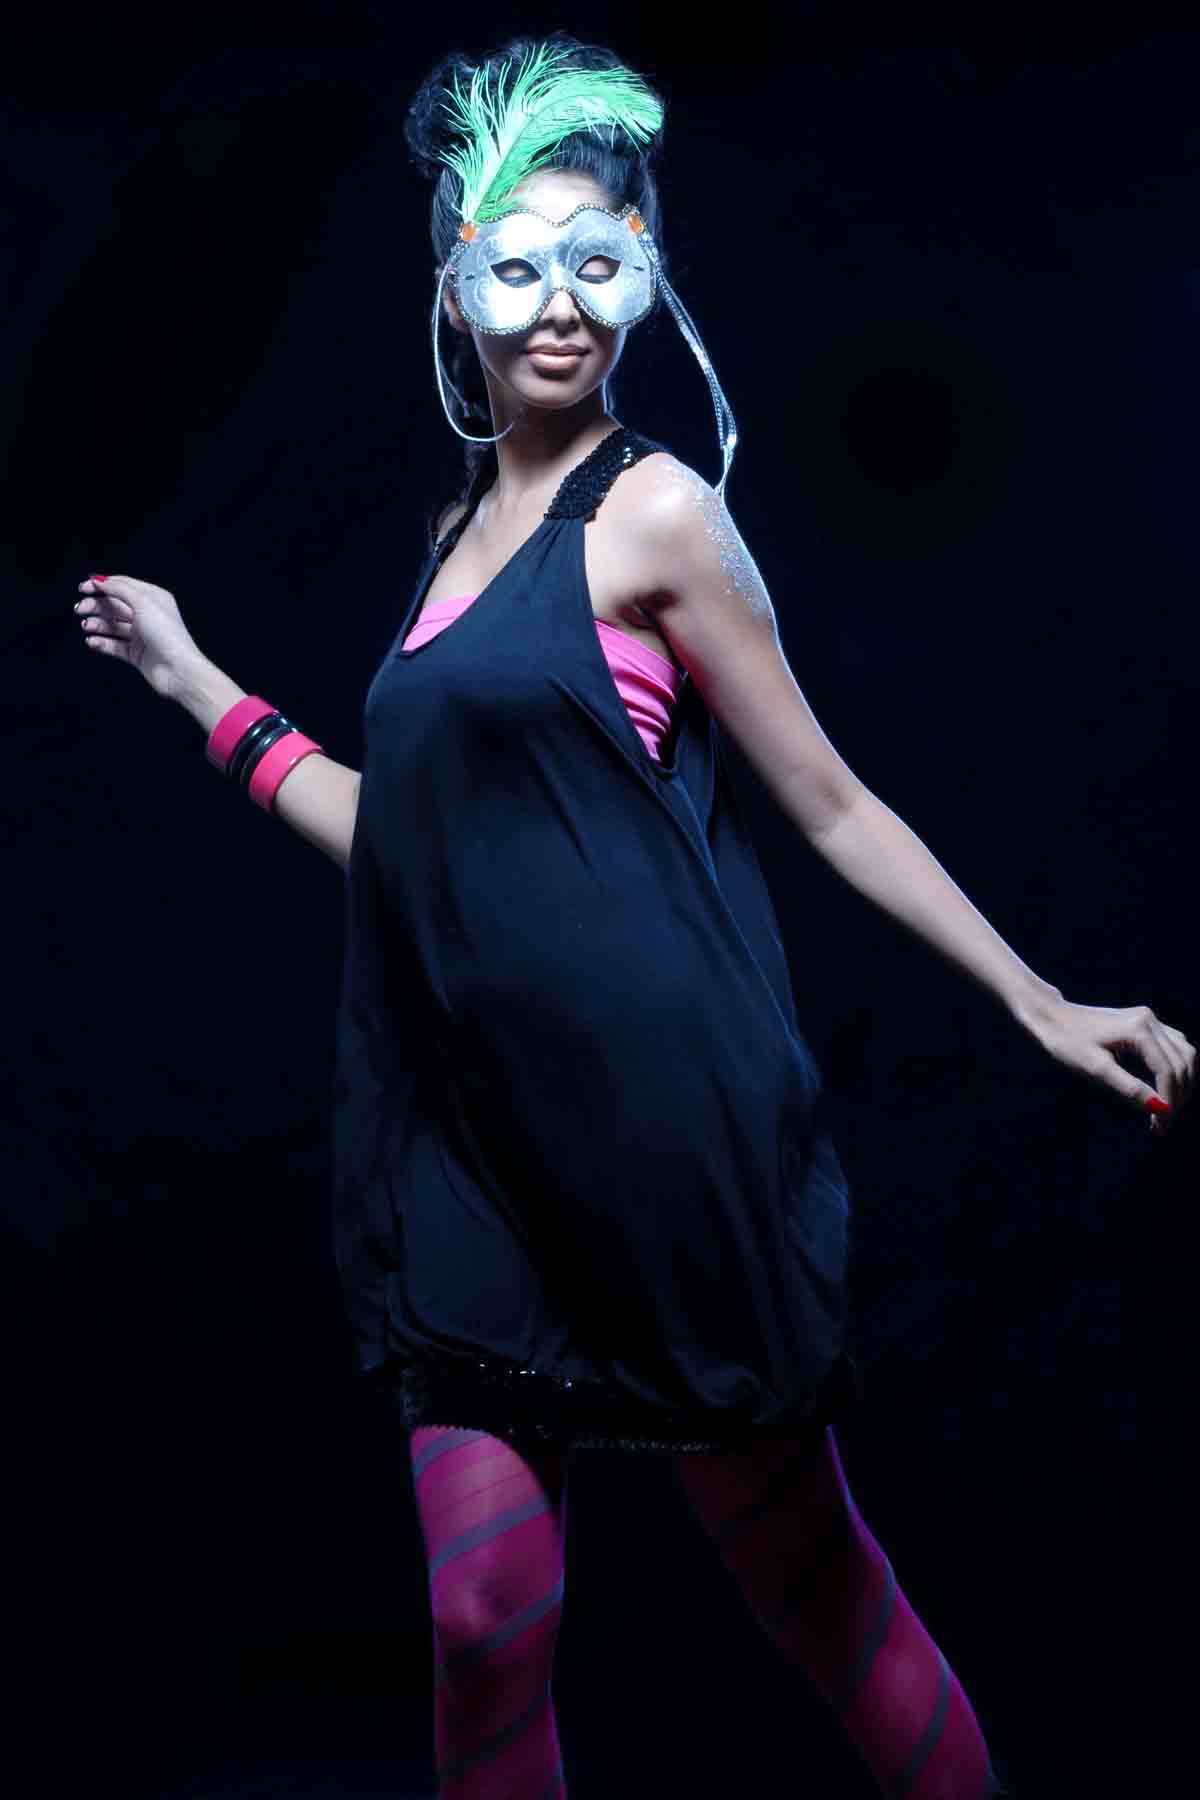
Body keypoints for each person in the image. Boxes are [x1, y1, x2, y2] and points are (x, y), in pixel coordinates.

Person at [73, 30, 1193, 1800]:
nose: (558, 310)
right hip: (466, 1151)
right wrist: (197, 681)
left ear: (644, 276)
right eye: (519, 268)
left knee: (814, 1592)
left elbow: (829, 798)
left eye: (598, 264)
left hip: (664, 1141)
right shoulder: (453, 533)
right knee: (481, 1619)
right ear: (455, 287)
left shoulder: (658, 511)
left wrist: (1037, 999)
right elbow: (410, 844)